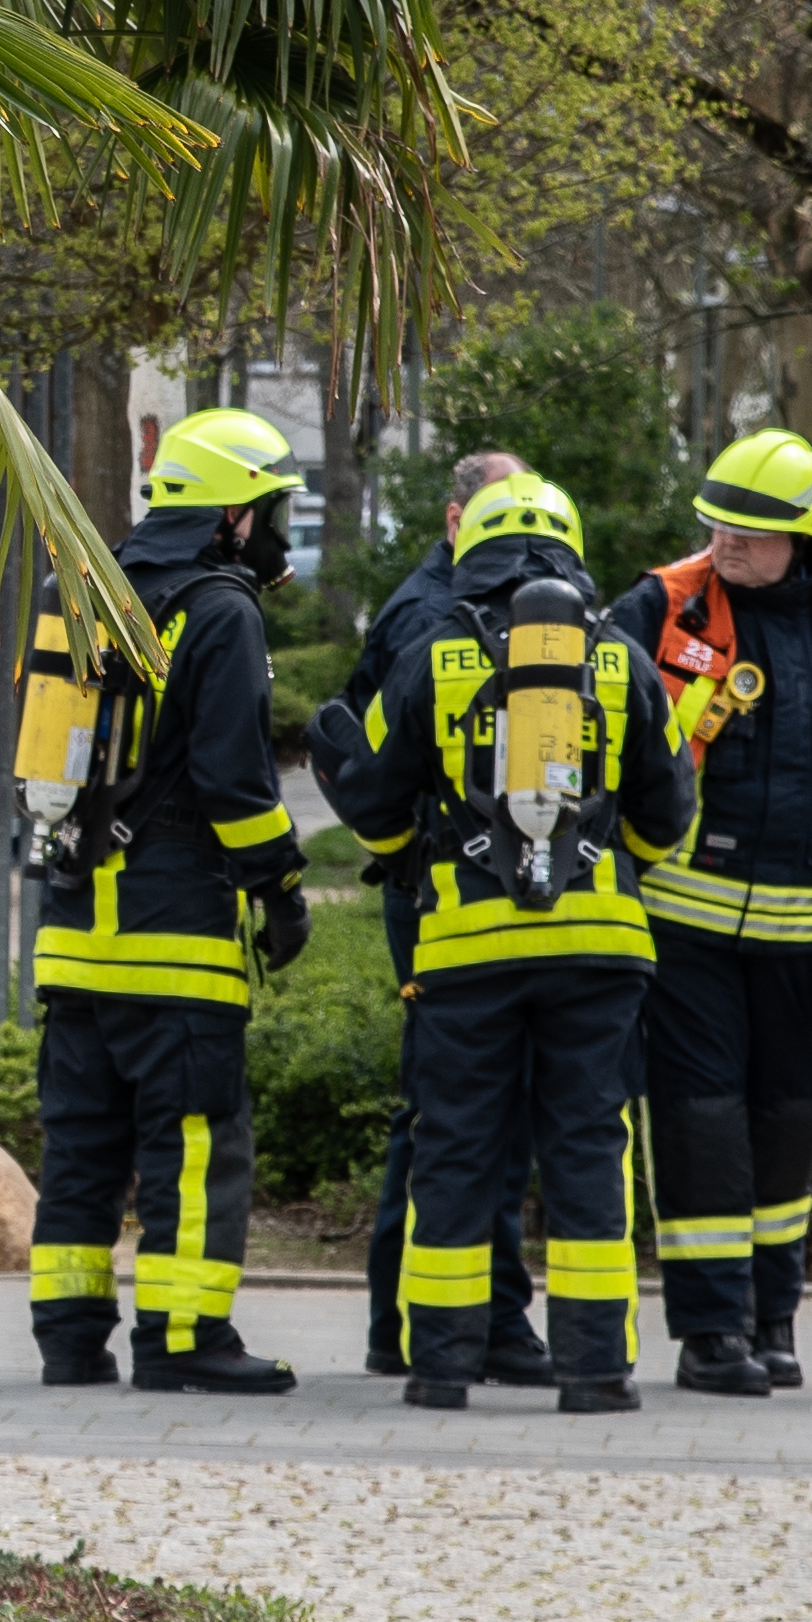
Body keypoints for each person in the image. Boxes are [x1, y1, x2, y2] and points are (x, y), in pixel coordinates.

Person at [324, 472, 695, 1413]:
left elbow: (371, 800)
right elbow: (669, 809)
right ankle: (595, 1373)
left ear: (470, 547)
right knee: (586, 1149)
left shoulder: (434, 651)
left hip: (462, 952)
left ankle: (439, 1368)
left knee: (454, 1150)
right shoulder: (618, 656)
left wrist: (420, 855)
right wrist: (609, 866)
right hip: (600, 948)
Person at [609, 430, 812, 1397]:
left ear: (807, 535)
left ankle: (772, 1318)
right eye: (716, 524)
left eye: (749, 531)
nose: (726, 544)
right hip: (683, 929)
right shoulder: (658, 608)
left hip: (801, 938)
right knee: (700, 1123)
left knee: (787, 1123)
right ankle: (709, 1335)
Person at [24, 409, 310, 1396]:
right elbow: (236, 783)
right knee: (190, 1142)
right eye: (271, 509)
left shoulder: (90, 588)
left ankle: (68, 1339)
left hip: (71, 929)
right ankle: (183, 1339)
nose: (275, 529)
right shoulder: (220, 609)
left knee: (82, 1140)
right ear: (232, 516)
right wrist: (281, 889)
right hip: (173, 935)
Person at [334, 449, 550, 1386]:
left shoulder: (433, 601)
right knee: (458, 1114)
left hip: (446, 889)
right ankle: (464, 1320)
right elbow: (382, 771)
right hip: (449, 896)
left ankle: (419, 1319)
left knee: (451, 1108)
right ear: (459, 515)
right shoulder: (436, 616)